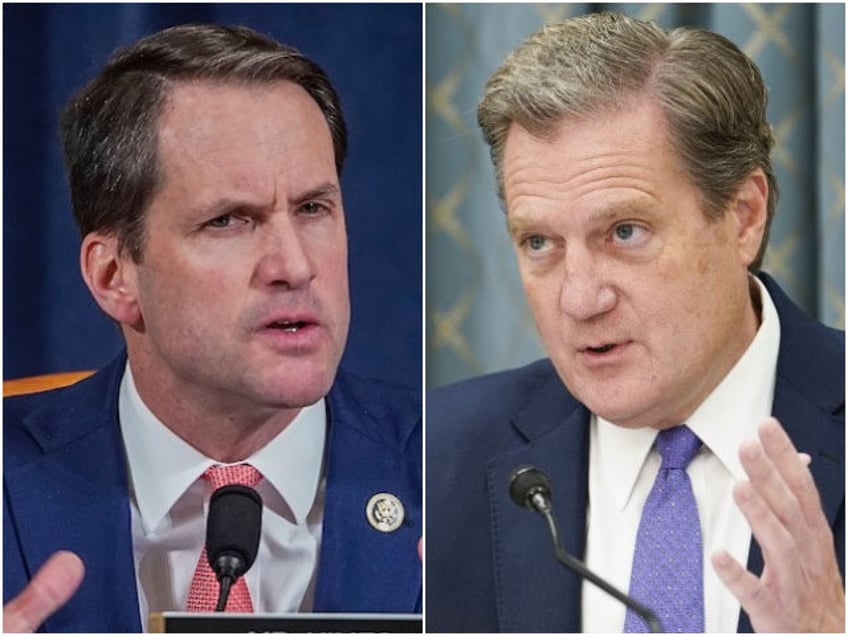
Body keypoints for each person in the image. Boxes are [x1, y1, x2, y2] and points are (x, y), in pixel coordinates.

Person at [426, 12, 844, 633]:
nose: (579, 298)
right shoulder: (438, 460)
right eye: (539, 242)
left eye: (625, 232)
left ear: (744, 218)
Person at [4, 24, 421, 632]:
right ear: (115, 275)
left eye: (313, 208)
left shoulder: (456, 476)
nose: (295, 266)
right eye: (229, 221)